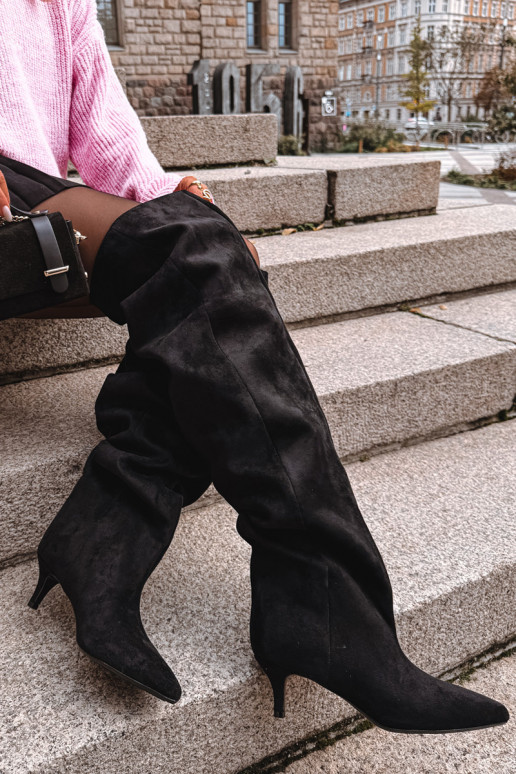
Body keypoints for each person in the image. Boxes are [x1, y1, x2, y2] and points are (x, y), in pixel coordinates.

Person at [1, 0, 509, 734]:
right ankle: (318, 606)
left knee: (204, 251)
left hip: (30, 210)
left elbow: (108, 136)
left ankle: (109, 545)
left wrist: (188, 215)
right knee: (200, 274)